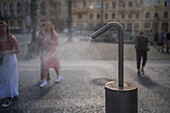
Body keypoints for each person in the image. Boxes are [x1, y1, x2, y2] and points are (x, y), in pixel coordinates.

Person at [0, 21, 20, 108]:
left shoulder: (11, 37)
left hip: (11, 59)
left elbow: (18, 50)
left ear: (6, 28)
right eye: (0, 27)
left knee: (10, 78)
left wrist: (7, 51)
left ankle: (9, 97)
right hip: (2, 60)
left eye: (3, 27)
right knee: (4, 78)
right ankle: (9, 93)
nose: (1, 29)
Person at [39, 22, 61, 88]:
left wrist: (50, 41)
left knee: (54, 65)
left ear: (51, 26)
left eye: (49, 26)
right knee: (45, 66)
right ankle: (44, 81)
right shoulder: (45, 34)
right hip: (46, 51)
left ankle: (58, 76)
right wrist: (43, 40)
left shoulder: (54, 34)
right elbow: (43, 43)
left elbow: (57, 43)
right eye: (46, 26)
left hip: (53, 51)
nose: (47, 27)